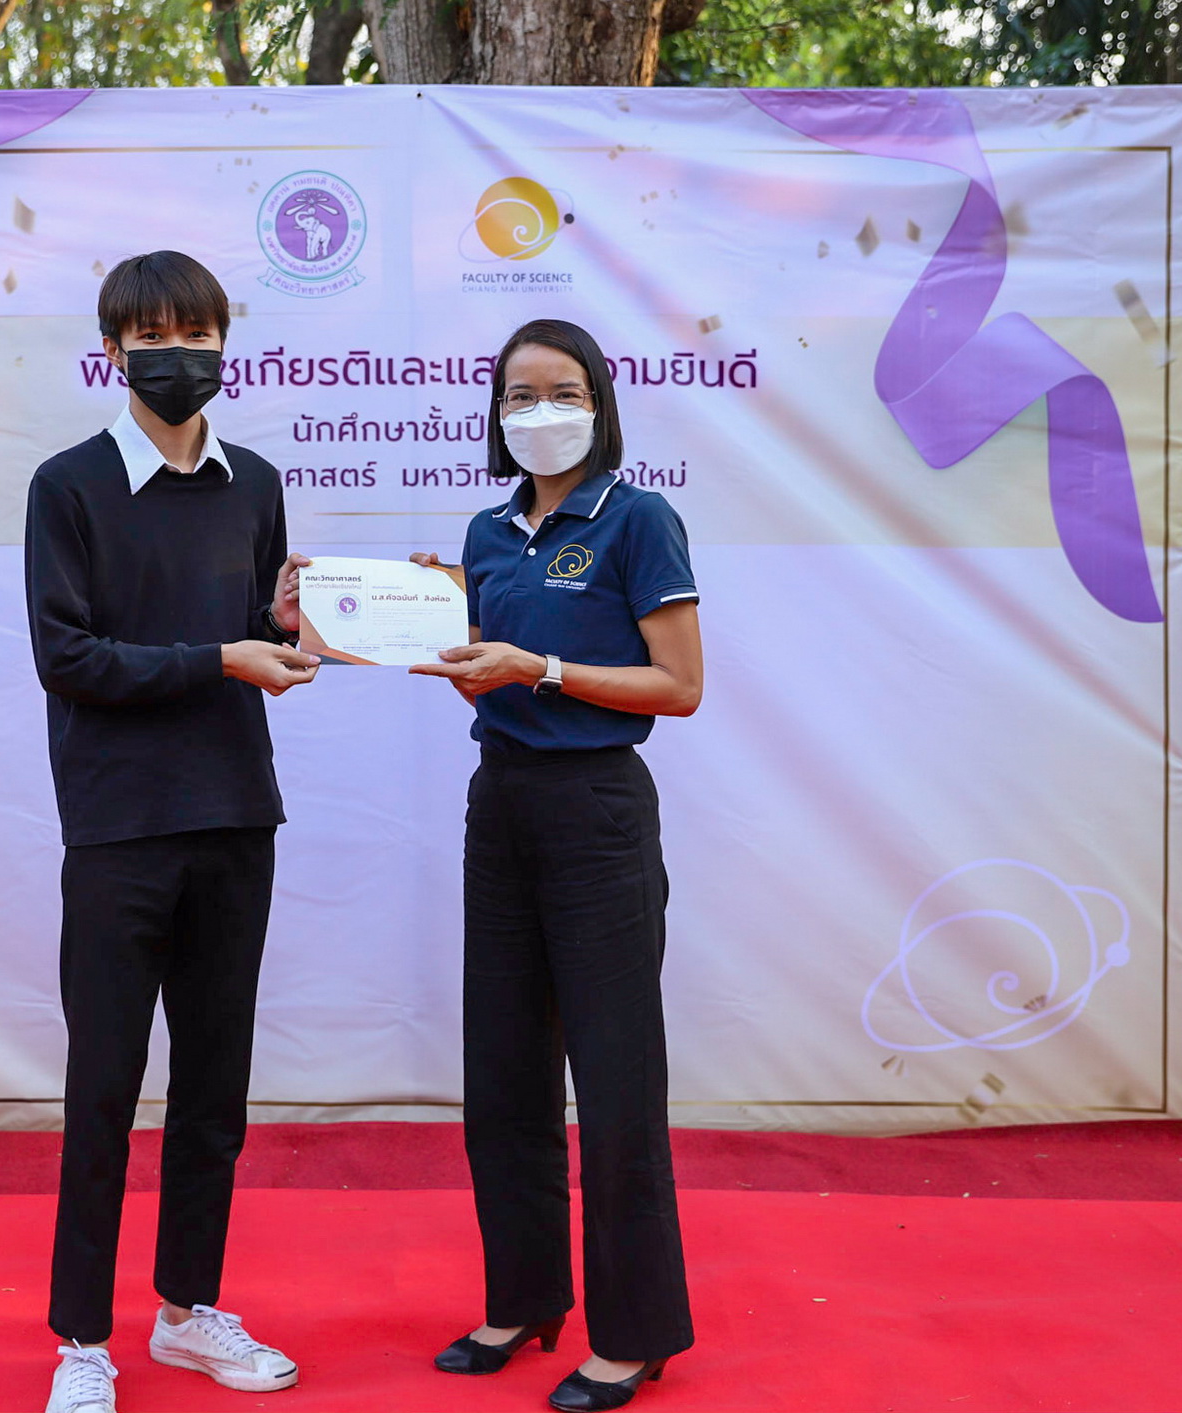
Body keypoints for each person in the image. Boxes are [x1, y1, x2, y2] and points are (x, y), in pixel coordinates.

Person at [25, 250, 319, 1413]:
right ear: (111, 350)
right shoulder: (67, 485)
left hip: (236, 815)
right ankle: (80, 1340)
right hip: (117, 827)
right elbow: (68, 658)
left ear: (221, 344)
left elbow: (254, 635)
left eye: (195, 333)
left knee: (212, 1090)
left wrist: (282, 626)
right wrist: (222, 657)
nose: (176, 354)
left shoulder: (255, 483)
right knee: (102, 1088)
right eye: (150, 335)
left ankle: (189, 1311)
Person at [410, 318, 704, 1412]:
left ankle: (633, 1333)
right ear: (496, 415)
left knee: (614, 1079)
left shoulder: (638, 518)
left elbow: (678, 686)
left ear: (599, 403)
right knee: (502, 1069)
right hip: (502, 806)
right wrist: (398, 612)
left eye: (561, 391)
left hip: (596, 811)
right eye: (518, 395)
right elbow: (475, 663)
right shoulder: (488, 532)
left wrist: (540, 666)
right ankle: (523, 1296)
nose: (539, 412)